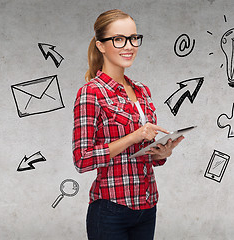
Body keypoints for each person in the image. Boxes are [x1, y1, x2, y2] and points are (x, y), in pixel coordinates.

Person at [72, 9, 184, 240]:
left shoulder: (142, 90)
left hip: (147, 205)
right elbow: (82, 160)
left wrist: (162, 152)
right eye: (119, 39)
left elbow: (140, 154)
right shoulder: (90, 93)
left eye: (133, 38)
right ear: (101, 45)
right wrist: (134, 136)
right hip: (111, 208)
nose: (129, 46)